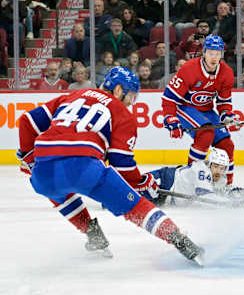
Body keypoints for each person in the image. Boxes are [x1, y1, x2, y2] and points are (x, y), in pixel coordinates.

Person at [16, 67, 203, 264]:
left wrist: (29, 160)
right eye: (131, 96)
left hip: (43, 172)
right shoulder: (121, 112)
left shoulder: (73, 95)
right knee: (136, 206)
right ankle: (180, 241)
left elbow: (27, 121)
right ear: (119, 90)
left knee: (57, 190)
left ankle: (92, 233)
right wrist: (141, 182)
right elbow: (121, 163)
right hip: (84, 168)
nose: (131, 103)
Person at [162, 34, 238, 185]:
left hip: (206, 111)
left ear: (222, 54)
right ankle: (192, 180)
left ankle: (226, 185)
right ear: (204, 53)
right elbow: (169, 98)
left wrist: (226, 115)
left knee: (227, 145)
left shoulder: (227, 73)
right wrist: (170, 118)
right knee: (206, 133)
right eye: (210, 53)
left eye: (217, 54)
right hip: (184, 107)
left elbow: (224, 101)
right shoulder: (189, 69)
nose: (214, 57)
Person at [147, 147, 244, 207]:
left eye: (222, 168)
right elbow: (206, 196)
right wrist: (231, 204)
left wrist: (243, 194)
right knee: (133, 195)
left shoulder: (220, 178)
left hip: (167, 196)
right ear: (210, 164)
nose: (218, 171)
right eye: (216, 166)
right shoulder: (201, 171)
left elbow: (223, 193)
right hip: (163, 182)